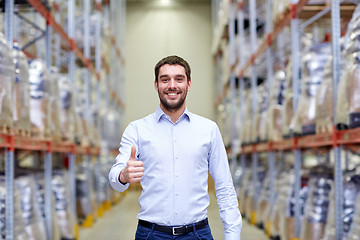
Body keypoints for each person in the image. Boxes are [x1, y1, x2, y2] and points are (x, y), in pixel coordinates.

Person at [109, 55, 242, 240]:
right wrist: (123, 175)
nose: (172, 85)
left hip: (197, 234)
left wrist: (233, 235)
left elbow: (224, 186)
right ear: (156, 85)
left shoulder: (208, 130)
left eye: (179, 79)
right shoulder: (137, 130)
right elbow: (115, 181)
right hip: (151, 234)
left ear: (188, 84)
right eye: (165, 79)